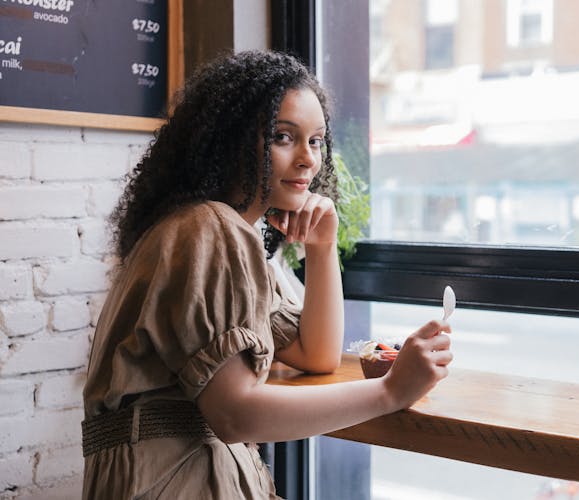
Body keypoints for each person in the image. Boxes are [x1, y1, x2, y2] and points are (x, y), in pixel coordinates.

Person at [81, 49, 453, 499]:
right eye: (283, 137)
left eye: (316, 141)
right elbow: (236, 415)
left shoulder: (208, 231)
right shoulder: (210, 229)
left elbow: (317, 355)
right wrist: (391, 391)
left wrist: (321, 248)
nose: (308, 160)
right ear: (231, 142)